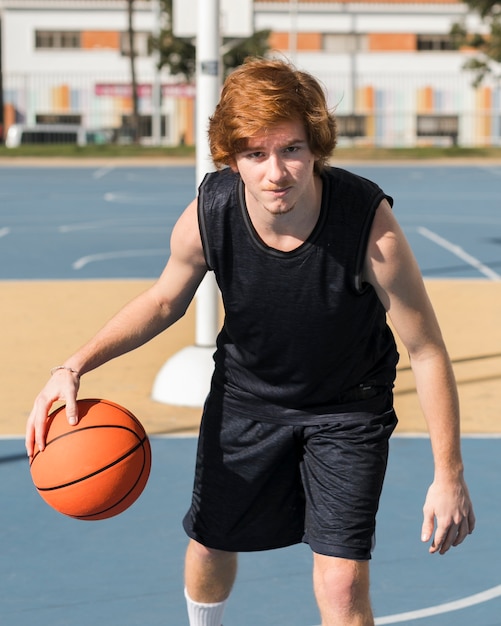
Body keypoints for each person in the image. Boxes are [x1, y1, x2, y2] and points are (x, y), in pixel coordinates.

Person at [26, 57, 475, 626]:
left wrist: (449, 475)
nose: (275, 172)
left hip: (346, 409)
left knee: (341, 582)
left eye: (290, 148)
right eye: (254, 154)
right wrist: (73, 366)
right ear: (231, 158)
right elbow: (165, 300)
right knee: (211, 544)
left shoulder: (369, 225)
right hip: (246, 400)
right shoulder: (210, 212)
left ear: (316, 146)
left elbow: (427, 349)